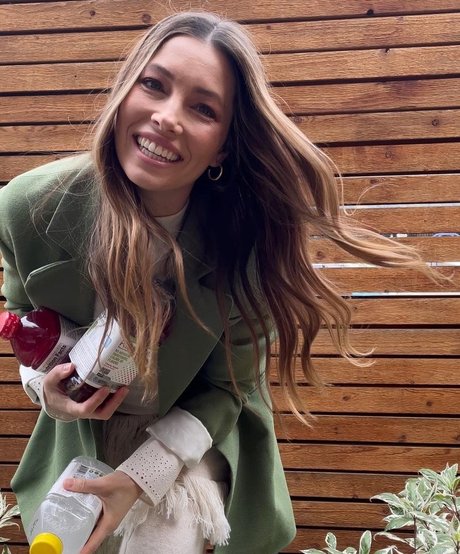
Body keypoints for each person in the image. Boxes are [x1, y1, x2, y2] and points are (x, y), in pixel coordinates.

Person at [0, 11, 431, 554]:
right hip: (83, 429)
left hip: (197, 425)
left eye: (203, 109)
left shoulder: (251, 240)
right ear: (124, 91)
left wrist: (140, 478)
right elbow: (25, 322)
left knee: (161, 535)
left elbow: (227, 390)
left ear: (223, 147)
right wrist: (48, 391)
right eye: (153, 85)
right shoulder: (27, 208)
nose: (167, 117)